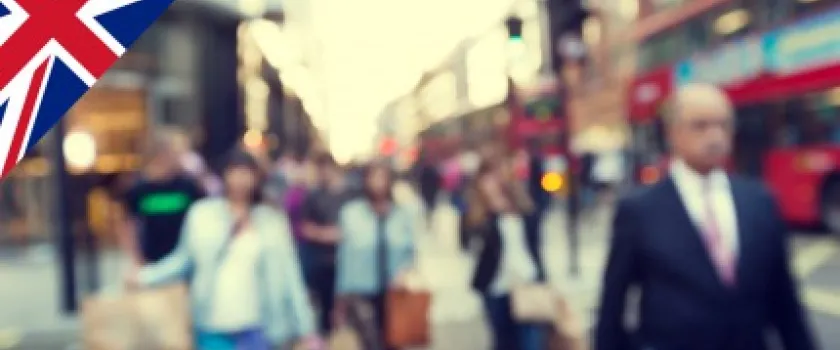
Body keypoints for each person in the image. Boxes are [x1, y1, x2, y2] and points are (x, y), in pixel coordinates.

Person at [595, 84, 816, 350]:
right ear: (673, 133)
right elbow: (613, 306)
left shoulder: (760, 200)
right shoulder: (638, 210)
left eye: (724, 125)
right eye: (700, 126)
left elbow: (785, 300)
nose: (715, 136)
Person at [131, 149, 321, 350]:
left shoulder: (271, 220)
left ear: (256, 178)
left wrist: (307, 329)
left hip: (259, 325)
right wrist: (145, 276)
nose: (239, 180)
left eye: (246, 173)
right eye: (234, 172)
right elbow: (183, 260)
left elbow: (290, 275)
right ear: (224, 175)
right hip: (211, 323)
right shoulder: (202, 215)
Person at [460, 161, 545, 350]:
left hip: (526, 283)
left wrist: (543, 278)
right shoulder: (477, 214)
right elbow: (468, 245)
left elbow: (534, 246)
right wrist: (487, 214)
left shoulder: (522, 207)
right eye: (485, 179)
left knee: (530, 342)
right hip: (495, 286)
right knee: (503, 341)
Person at [333, 162, 417, 349]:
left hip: (395, 293)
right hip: (361, 292)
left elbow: (410, 252)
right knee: (370, 342)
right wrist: (340, 300)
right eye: (373, 177)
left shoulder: (402, 214)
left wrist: (405, 273)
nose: (378, 183)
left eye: (382, 177)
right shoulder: (351, 214)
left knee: (395, 342)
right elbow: (345, 258)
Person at [120, 132, 205, 268]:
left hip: (185, 258)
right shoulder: (139, 189)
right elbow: (127, 224)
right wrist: (136, 259)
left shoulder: (188, 185)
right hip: (152, 260)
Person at [300, 153, 351, 334]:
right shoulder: (313, 196)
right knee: (325, 311)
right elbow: (305, 228)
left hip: (348, 263)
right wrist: (326, 235)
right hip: (322, 263)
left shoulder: (350, 194)